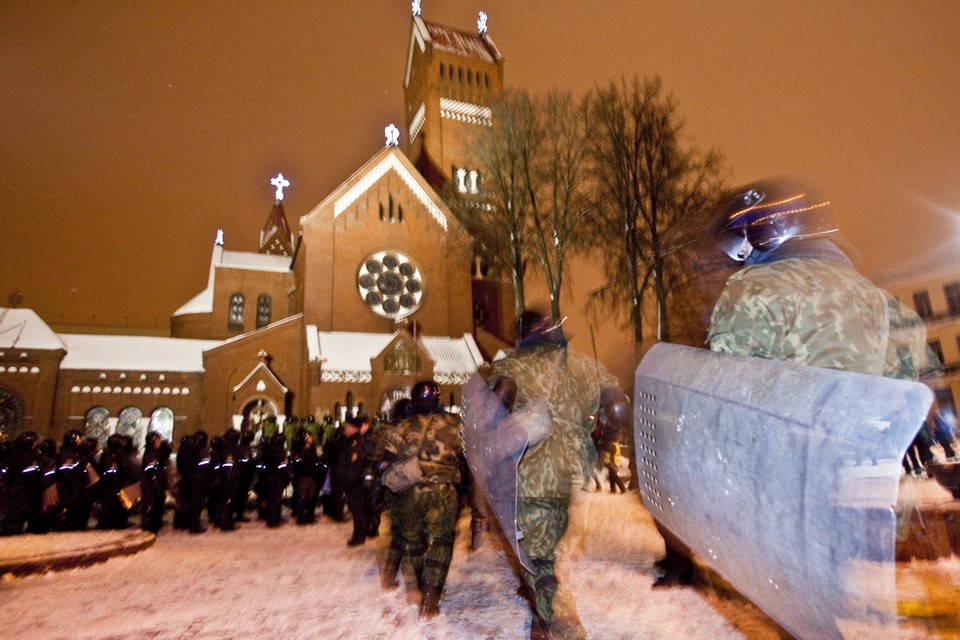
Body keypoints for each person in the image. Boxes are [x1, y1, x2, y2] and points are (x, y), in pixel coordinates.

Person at [650, 177, 934, 588]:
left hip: (787, 488)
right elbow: (907, 394)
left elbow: (732, 399)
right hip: (861, 490)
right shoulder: (878, 298)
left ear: (763, 233)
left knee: (797, 600)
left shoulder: (752, 289)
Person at [487, 309, 632, 640]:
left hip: (530, 477)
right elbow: (619, 409)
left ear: (521, 335)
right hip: (574, 476)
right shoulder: (586, 365)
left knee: (541, 565)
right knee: (551, 558)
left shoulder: (511, 366)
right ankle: (541, 625)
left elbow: (495, 412)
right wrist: (604, 443)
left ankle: (568, 633)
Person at [380, 380, 464, 620]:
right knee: (440, 543)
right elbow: (466, 458)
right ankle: (431, 599)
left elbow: (385, 459)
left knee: (413, 543)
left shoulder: (401, 426)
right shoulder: (455, 424)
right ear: (438, 399)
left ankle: (416, 589)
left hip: (409, 493)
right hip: (442, 491)